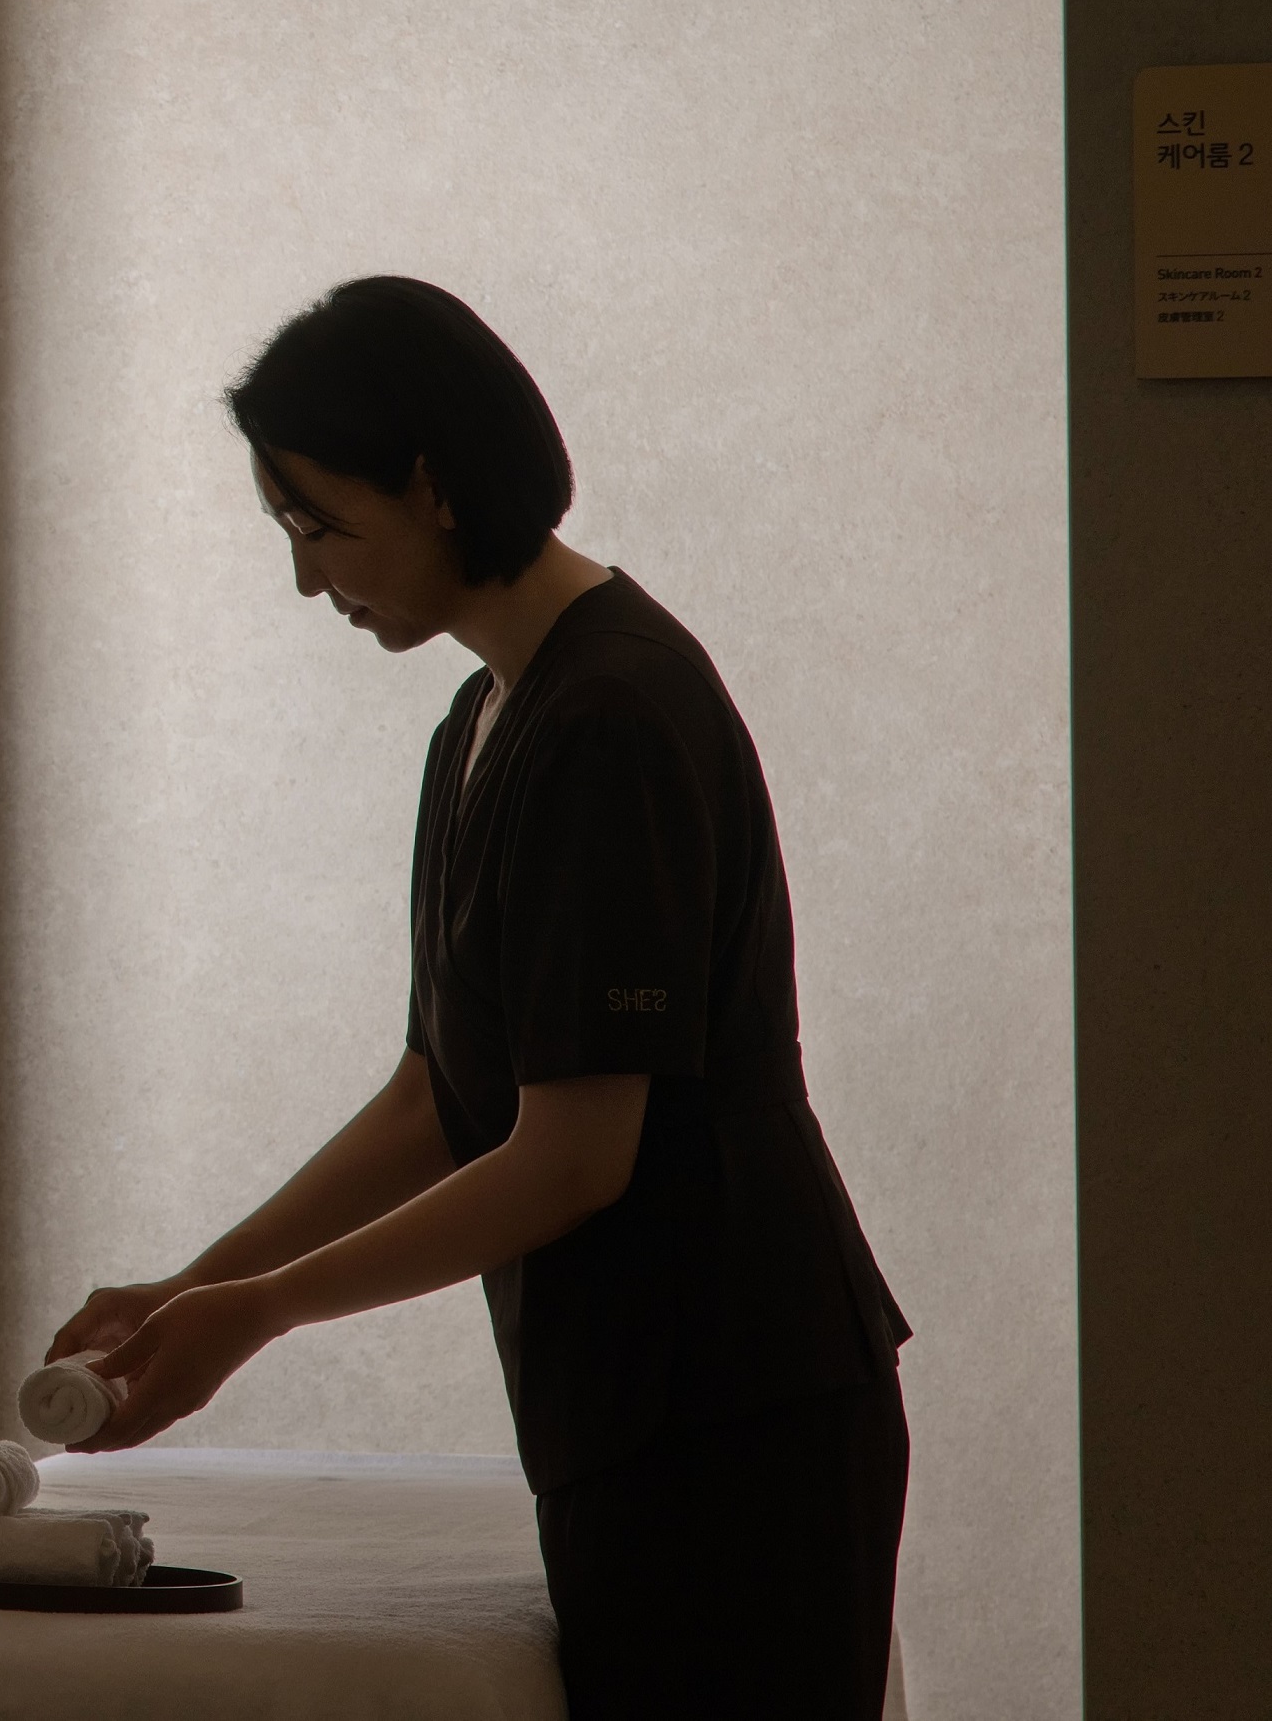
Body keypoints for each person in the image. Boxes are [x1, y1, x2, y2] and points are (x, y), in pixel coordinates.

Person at [46, 277, 912, 1719]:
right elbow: (435, 1099)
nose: (308, 582)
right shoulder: (486, 719)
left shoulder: (609, 716)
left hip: (732, 1409)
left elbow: (571, 1159)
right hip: (634, 1408)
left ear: (433, 487)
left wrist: (261, 1311)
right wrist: (196, 1289)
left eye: (320, 528)